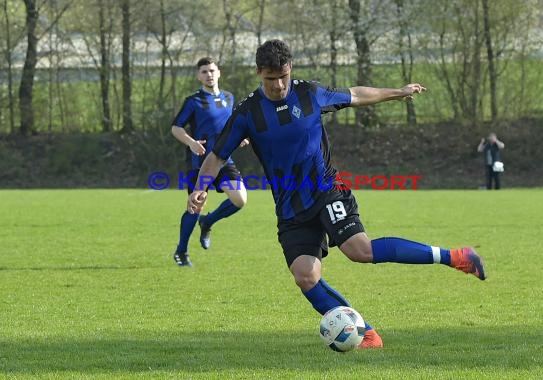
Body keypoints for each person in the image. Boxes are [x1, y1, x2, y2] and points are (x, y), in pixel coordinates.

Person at [188, 40, 486, 348]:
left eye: (283, 77)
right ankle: (367, 333)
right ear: (258, 73)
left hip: (327, 191)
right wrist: (200, 189)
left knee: (360, 251)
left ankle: (456, 257)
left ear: (291, 69)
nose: (278, 85)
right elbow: (217, 155)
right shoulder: (247, 113)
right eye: (270, 78)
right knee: (305, 276)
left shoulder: (309, 93)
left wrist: (398, 92)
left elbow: (355, 95)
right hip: (290, 206)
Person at [170, 57, 248, 267]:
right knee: (196, 205)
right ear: (198, 76)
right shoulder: (193, 101)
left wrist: (240, 137)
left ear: (219, 73)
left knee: (240, 199)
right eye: (204, 72)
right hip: (199, 163)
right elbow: (176, 127)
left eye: (212, 70)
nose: (209, 75)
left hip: (223, 160)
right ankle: (181, 251)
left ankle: (208, 221)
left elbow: (234, 125)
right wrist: (191, 142)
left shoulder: (229, 98)